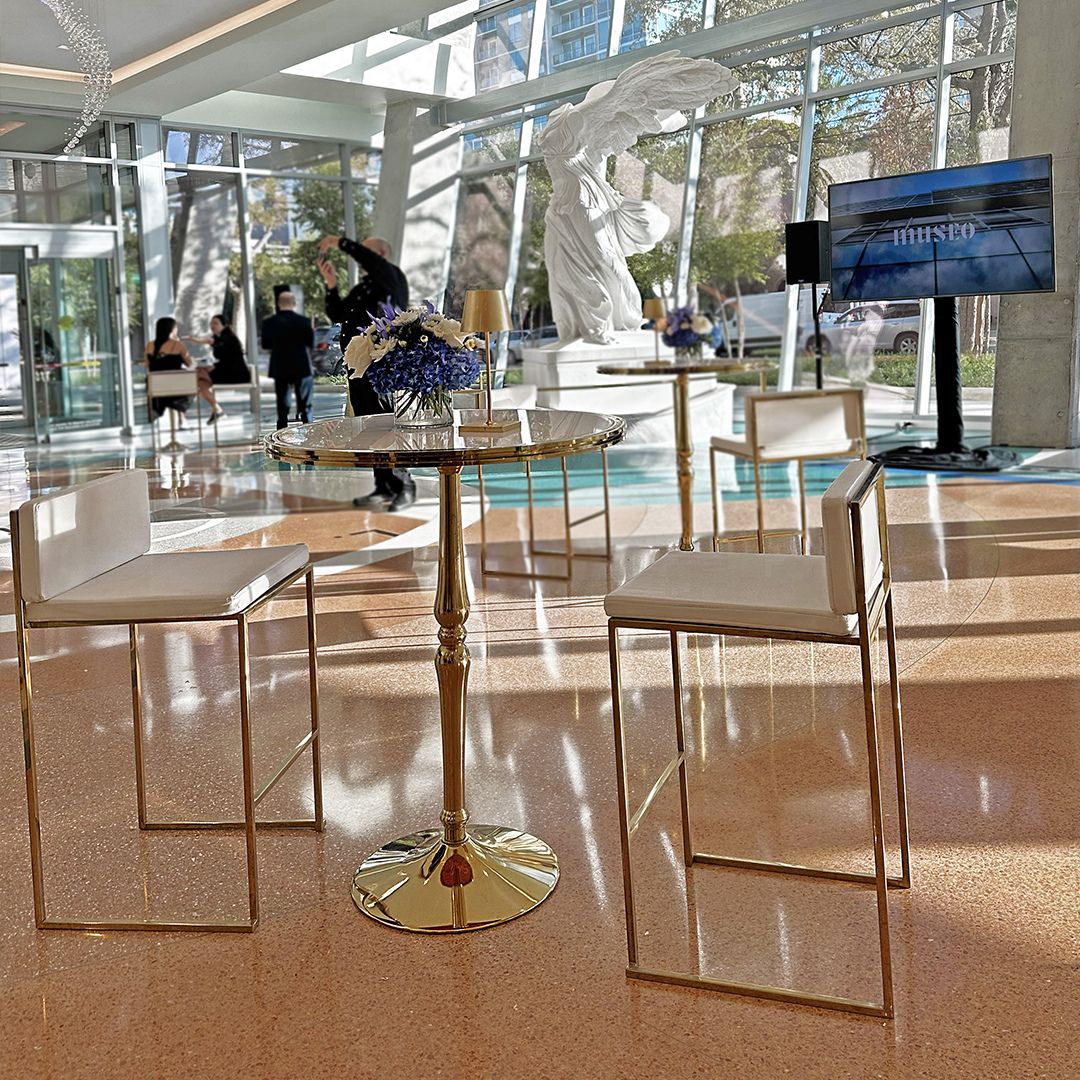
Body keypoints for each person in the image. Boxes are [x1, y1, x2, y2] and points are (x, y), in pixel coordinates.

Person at [318, 234, 414, 511]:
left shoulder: (391, 276)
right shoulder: (365, 287)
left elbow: (367, 258)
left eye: (367, 252)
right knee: (367, 423)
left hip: (380, 363)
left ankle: (403, 484)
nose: (361, 256)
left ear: (381, 255)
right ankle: (383, 485)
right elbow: (338, 314)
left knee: (384, 423)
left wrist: (341, 242)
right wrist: (331, 285)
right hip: (357, 364)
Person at [260, 292, 314, 431]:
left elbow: (265, 345)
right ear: (294, 303)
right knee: (305, 404)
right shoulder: (304, 321)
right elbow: (310, 343)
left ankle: (281, 434)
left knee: (282, 405)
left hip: (280, 365)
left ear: (278, 304)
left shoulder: (269, 323)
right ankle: (309, 430)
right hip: (301, 365)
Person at [183, 314, 250, 424]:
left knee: (197, 374)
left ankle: (182, 403)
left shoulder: (227, 337)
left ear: (224, 325)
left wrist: (194, 340)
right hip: (226, 371)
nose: (212, 325)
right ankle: (217, 410)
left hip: (236, 374)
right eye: (211, 323)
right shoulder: (219, 337)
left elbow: (230, 360)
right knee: (201, 383)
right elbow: (223, 357)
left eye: (215, 323)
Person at [144, 316, 194, 423]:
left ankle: (160, 411)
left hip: (156, 387)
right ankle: (181, 415)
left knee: (168, 386)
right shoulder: (178, 345)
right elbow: (190, 364)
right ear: (172, 329)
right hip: (175, 386)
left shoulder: (149, 345)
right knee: (192, 383)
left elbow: (147, 364)